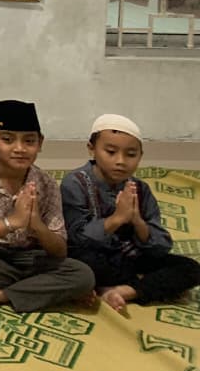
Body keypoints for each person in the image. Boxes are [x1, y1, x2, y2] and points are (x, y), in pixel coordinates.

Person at [0, 100, 95, 311]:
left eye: (29, 141)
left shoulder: (46, 183)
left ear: (40, 143)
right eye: (7, 139)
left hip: (28, 256)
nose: (19, 149)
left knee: (83, 276)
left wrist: (38, 226)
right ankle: (39, 290)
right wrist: (13, 222)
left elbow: (59, 250)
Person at [62, 113, 200, 311]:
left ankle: (124, 291)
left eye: (131, 154)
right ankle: (135, 286)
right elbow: (76, 238)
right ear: (92, 149)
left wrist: (137, 221)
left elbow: (160, 247)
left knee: (190, 269)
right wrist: (117, 219)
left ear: (140, 156)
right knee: (79, 263)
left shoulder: (140, 189)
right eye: (111, 152)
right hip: (94, 258)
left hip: (130, 258)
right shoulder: (75, 183)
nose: (121, 161)